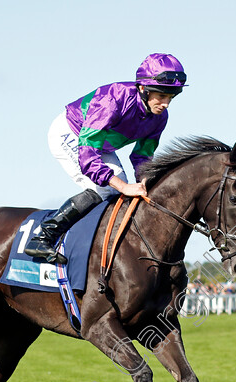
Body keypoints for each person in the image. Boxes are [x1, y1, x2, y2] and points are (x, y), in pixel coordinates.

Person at [24, 53, 187, 264]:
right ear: (143, 89)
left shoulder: (159, 118)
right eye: (161, 96)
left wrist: (145, 180)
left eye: (171, 98)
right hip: (72, 133)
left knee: (124, 193)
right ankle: (43, 236)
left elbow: (142, 155)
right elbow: (88, 155)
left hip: (100, 144)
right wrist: (124, 185)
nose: (166, 104)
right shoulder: (112, 99)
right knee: (108, 189)